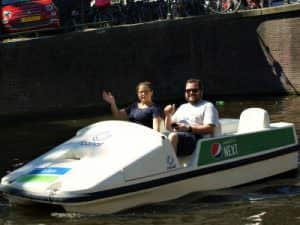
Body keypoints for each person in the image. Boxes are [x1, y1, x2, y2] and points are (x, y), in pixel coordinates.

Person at [164, 78, 219, 156]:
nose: (191, 92)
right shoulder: (182, 107)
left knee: (173, 136)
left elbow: (210, 128)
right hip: (180, 136)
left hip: (197, 139)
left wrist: (188, 128)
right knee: (161, 138)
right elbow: (169, 128)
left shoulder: (208, 106)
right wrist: (167, 115)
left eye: (194, 90)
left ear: (201, 92)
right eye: (188, 90)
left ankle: (169, 165)